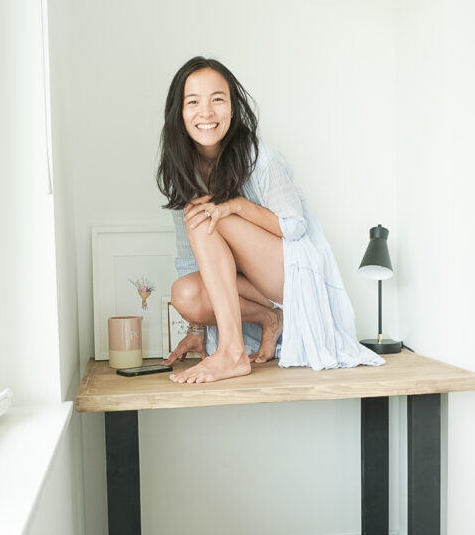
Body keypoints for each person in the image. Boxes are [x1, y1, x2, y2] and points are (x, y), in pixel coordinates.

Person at [156, 56, 384, 384]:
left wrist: (233, 206)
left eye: (217, 100)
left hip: (292, 275)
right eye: (193, 102)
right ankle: (269, 318)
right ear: (179, 112)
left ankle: (232, 353)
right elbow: (189, 261)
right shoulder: (182, 170)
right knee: (185, 295)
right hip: (252, 288)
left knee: (206, 214)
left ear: (233, 108)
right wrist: (196, 329)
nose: (205, 113)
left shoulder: (261, 158)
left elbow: (294, 226)